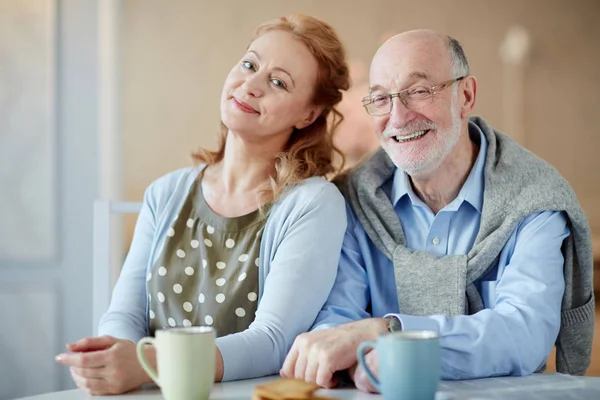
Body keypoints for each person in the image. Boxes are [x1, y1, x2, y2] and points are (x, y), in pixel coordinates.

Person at [280, 29, 594, 392]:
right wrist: (335, 346)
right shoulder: (352, 199)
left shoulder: (536, 198)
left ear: (466, 95)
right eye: (381, 99)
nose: (398, 117)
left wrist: (391, 332)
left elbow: (524, 333)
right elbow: (335, 322)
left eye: (419, 91)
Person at [55, 14, 351, 395]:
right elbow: (124, 314)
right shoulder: (166, 193)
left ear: (308, 114)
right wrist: (112, 357)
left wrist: (148, 365)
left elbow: (273, 340)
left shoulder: (312, 204)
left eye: (278, 82)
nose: (251, 84)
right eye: (249, 64)